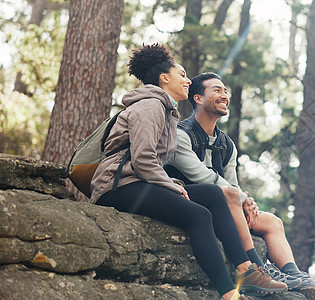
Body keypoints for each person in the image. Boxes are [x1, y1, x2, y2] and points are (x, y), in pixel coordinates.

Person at [90, 44, 286, 300]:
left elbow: (150, 165)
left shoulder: (166, 110)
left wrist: (172, 184)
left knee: (214, 194)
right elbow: (143, 160)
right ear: (164, 78)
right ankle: (229, 294)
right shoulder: (150, 106)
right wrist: (173, 186)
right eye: (181, 74)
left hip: (136, 181)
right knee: (198, 216)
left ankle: (246, 269)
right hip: (118, 185)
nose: (187, 80)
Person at [164, 72, 315, 300]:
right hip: (189, 200)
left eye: (225, 91)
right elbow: (200, 175)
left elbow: (232, 183)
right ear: (198, 98)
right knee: (229, 195)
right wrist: (241, 199)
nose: (224, 95)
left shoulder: (226, 144)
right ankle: (256, 268)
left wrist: (247, 203)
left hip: (224, 205)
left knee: (272, 221)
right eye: (216, 90)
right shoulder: (180, 134)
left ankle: (296, 276)